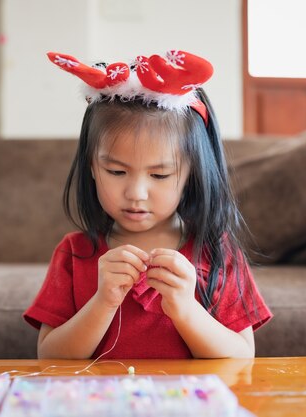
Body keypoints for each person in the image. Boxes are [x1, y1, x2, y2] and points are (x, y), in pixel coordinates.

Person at [24, 50, 272, 359]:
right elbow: (50, 357)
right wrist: (103, 302)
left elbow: (241, 358)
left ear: (191, 174)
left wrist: (185, 309)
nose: (137, 193)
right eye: (116, 172)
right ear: (91, 166)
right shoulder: (74, 253)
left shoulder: (217, 252)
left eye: (160, 174)